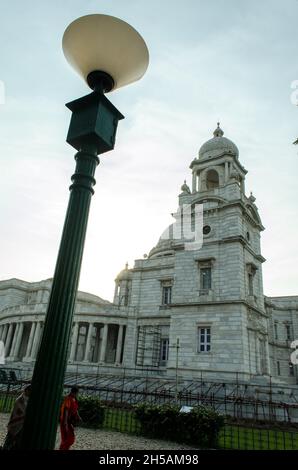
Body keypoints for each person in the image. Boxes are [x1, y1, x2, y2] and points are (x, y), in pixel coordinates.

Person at [2, 384, 31, 450]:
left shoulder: (27, 399)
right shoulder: (20, 399)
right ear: (26, 390)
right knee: (11, 439)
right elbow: (18, 411)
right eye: (29, 391)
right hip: (16, 423)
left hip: (22, 424)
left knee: (17, 441)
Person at [59, 386, 81, 450]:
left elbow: (75, 409)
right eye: (77, 393)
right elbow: (66, 410)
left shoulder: (75, 399)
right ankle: (62, 448)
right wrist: (65, 422)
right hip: (65, 421)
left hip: (70, 421)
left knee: (67, 438)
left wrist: (78, 416)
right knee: (70, 439)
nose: (77, 394)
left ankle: (63, 448)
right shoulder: (68, 399)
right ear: (74, 392)